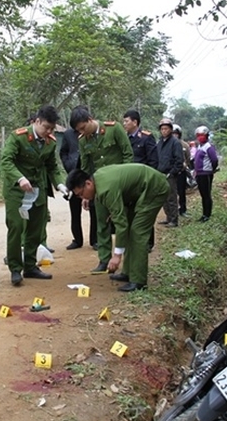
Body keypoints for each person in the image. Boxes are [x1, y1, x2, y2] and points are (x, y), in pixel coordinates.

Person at [66, 164, 169, 292]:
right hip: (138, 192)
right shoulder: (98, 178)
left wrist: (117, 256)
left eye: (81, 194)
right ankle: (128, 272)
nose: (83, 198)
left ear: (88, 183)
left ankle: (138, 280)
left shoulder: (106, 189)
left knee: (137, 232)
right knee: (131, 227)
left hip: (154, 188)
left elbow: (121, 224)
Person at [1, 105, 67, 286]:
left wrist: (60, 184)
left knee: (36, 229)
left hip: (38, 190)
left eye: (52, 129)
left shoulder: (51, 141)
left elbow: (52, 166)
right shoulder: (18, 137)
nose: (49, 131)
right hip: (17, 191)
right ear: (37, 121)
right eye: (46, 127)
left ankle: (30, 266)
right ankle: (15, 268)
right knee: (16, 227)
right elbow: (6, 160)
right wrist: (20, 178)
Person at [70, 105, 133, 273]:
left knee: (122, 221)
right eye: (79, 130)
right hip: (98, 188)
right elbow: (84, 167)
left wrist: (125, 180)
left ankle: (126, 261)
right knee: (101, 224)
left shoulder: (114, 129)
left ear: (90, 119)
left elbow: (128, 154)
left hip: (120, 186)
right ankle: (104, 260)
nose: (84, 132)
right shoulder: (83, 140)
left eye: (84, 127)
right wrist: (84, 194)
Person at [121, 108, 158, 258]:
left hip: (143, 181)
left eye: (126, 121)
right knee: (131, 211)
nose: (124, 124)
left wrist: (148, 180)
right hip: (129, 182)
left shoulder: (146, 138)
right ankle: (133, 241)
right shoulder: (124, 139)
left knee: (144, 211)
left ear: (135, 122)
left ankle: (148, 243)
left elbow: (153, 161)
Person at [59, 126, 96, 250]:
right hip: (74, 176)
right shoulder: (68, 134)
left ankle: (95, 240)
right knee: (74, 211)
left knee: (93, 209)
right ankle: (77, 240)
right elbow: (63, 152)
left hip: (88, 176)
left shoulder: (90, 132)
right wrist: (68, 164)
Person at [156, 118, 183, 227]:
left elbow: (179, 160)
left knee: (171, 198)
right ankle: (168, 217)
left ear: (170, 129)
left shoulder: (175, 143)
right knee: (163, 198)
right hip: (160, 173)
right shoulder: (160, 142)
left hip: (170, 174)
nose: (164, 131)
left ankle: (174, 220)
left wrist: (172, 173)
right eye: (162, 129)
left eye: (166, 129)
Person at [193, 125, 219, 222]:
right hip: (199, 174)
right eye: (198, 135)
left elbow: (214, 160)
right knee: (203, 195)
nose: (200, 137)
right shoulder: (200, 146)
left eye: (202, 135)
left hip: (205, 174)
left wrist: (211, 169)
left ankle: (207, 215)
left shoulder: (209, 147)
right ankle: (204, 214)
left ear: (207, 136)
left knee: (206, 195)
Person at [172, 124, 192, 218]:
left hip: (181, 172)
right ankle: (172, 212)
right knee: (171, 193)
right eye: (173, 134)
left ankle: (183, 210)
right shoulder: (167, 145)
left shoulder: (185, 145)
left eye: (176, 134)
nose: (174, 135)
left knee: (181, 192)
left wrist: (184, 166)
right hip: (171, 172)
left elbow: (188, 158)